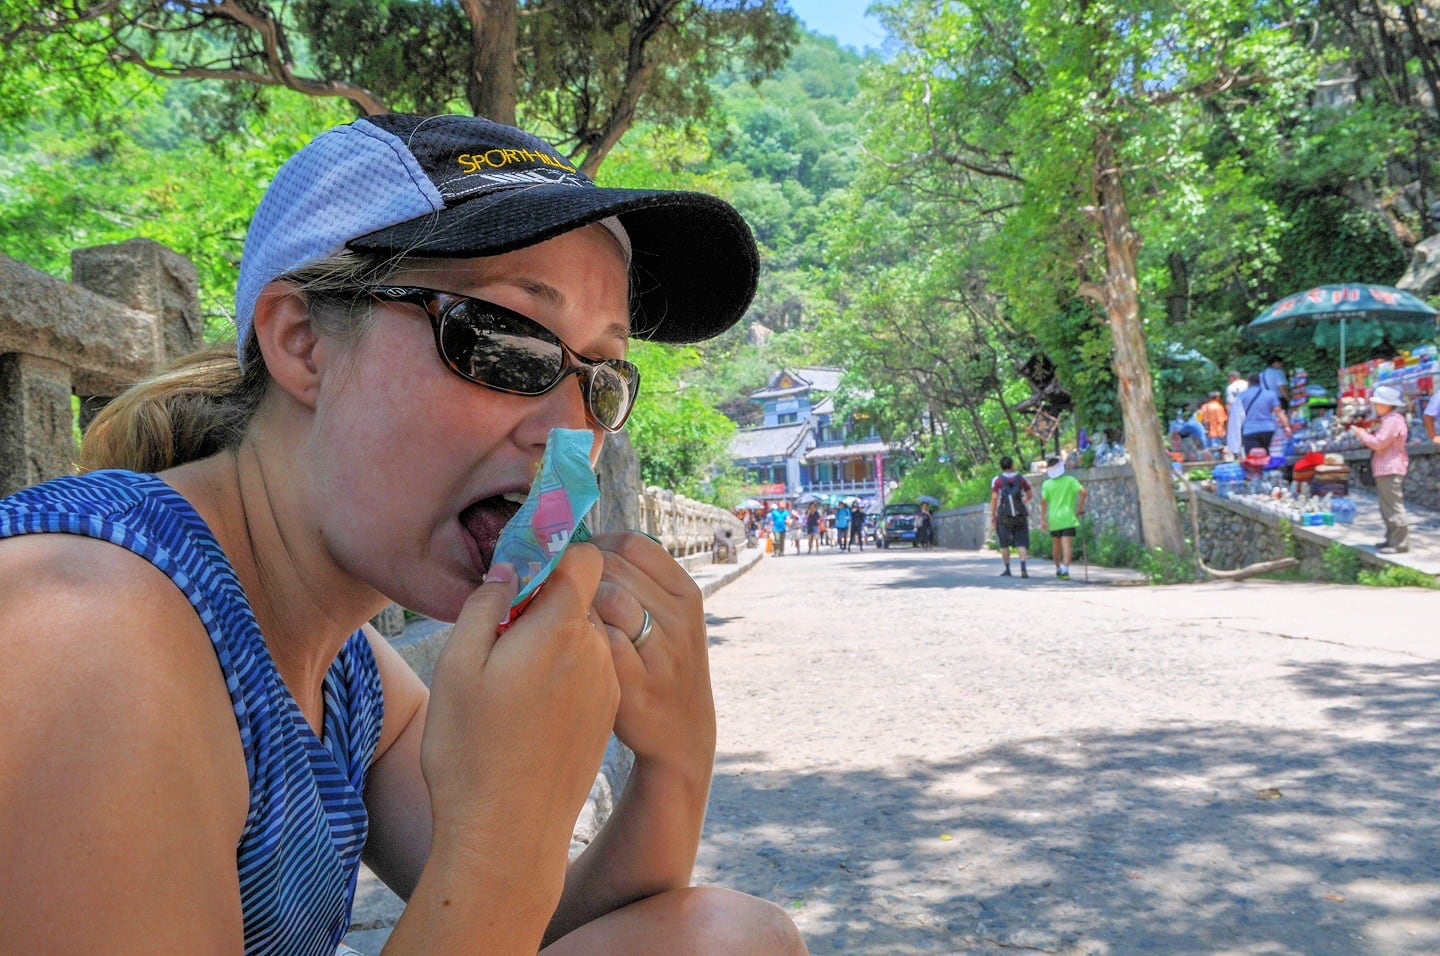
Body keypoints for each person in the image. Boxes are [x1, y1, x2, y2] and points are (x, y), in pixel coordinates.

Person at [0, 114, 805, 954]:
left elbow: (535, 926)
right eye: (504, 341)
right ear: (301, 342)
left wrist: (675, 759)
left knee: (724, 938)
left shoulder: (347, 670)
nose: (568, 436)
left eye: (600, 380)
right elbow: (493, 892)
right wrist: (506, 833)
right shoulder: (83, 631)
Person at [1350, 384, 1412, 554]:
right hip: (1386, 468)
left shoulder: (1393, 421)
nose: (1376, 407)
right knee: (1386, 506)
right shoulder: (1390, 420)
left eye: (1378, 404)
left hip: (1390, 468)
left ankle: (1400, 543)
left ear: (1387, 405)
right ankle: (1391, 539)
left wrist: (1361, 433)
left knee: (1393, 506)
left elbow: (1378, 444)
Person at [1040, 455, 1087, 580]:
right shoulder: (1071, 480)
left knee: (1056, 546)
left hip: (1054, 519)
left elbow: (1044, 502)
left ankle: (1058, 569)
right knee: (1067, 546)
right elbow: (1084, 493)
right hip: (1068, 517)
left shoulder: (1047, 484)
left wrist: (1043, 519)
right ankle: (1066, 570)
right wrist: (1080, 508)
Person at [990, 456, 1033, 578]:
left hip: (1004, 515)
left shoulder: (997, 480)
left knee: (1004, 543)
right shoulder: (1021, 478)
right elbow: (1030, 495)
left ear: (1001, 466)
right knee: (1022, 541)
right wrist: (1022, 503)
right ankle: (1023, 568)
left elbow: (994, 498)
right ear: (1012, 465)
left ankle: (1007, 569)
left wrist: (993, 515)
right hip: (1019, 515)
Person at [1238, 373, 1289, 456]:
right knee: (1266, 454)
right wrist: (1287, 427)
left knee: (1253, 459)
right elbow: (1279, 412)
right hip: (1268, 430)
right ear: (1260, 382)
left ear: (1249, 383)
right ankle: (1268, 467)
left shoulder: (1242, 396)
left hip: (1250, 430)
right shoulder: (1270, 394)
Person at [1225, 370, 1248, 458]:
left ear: (1232, 378)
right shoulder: (1247, 384)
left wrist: (1229, 418)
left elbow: (1230, 403)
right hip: (1248, 411)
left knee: (1236, 435)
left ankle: (1238, 454)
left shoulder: (1230, 387)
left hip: (1237, 413)